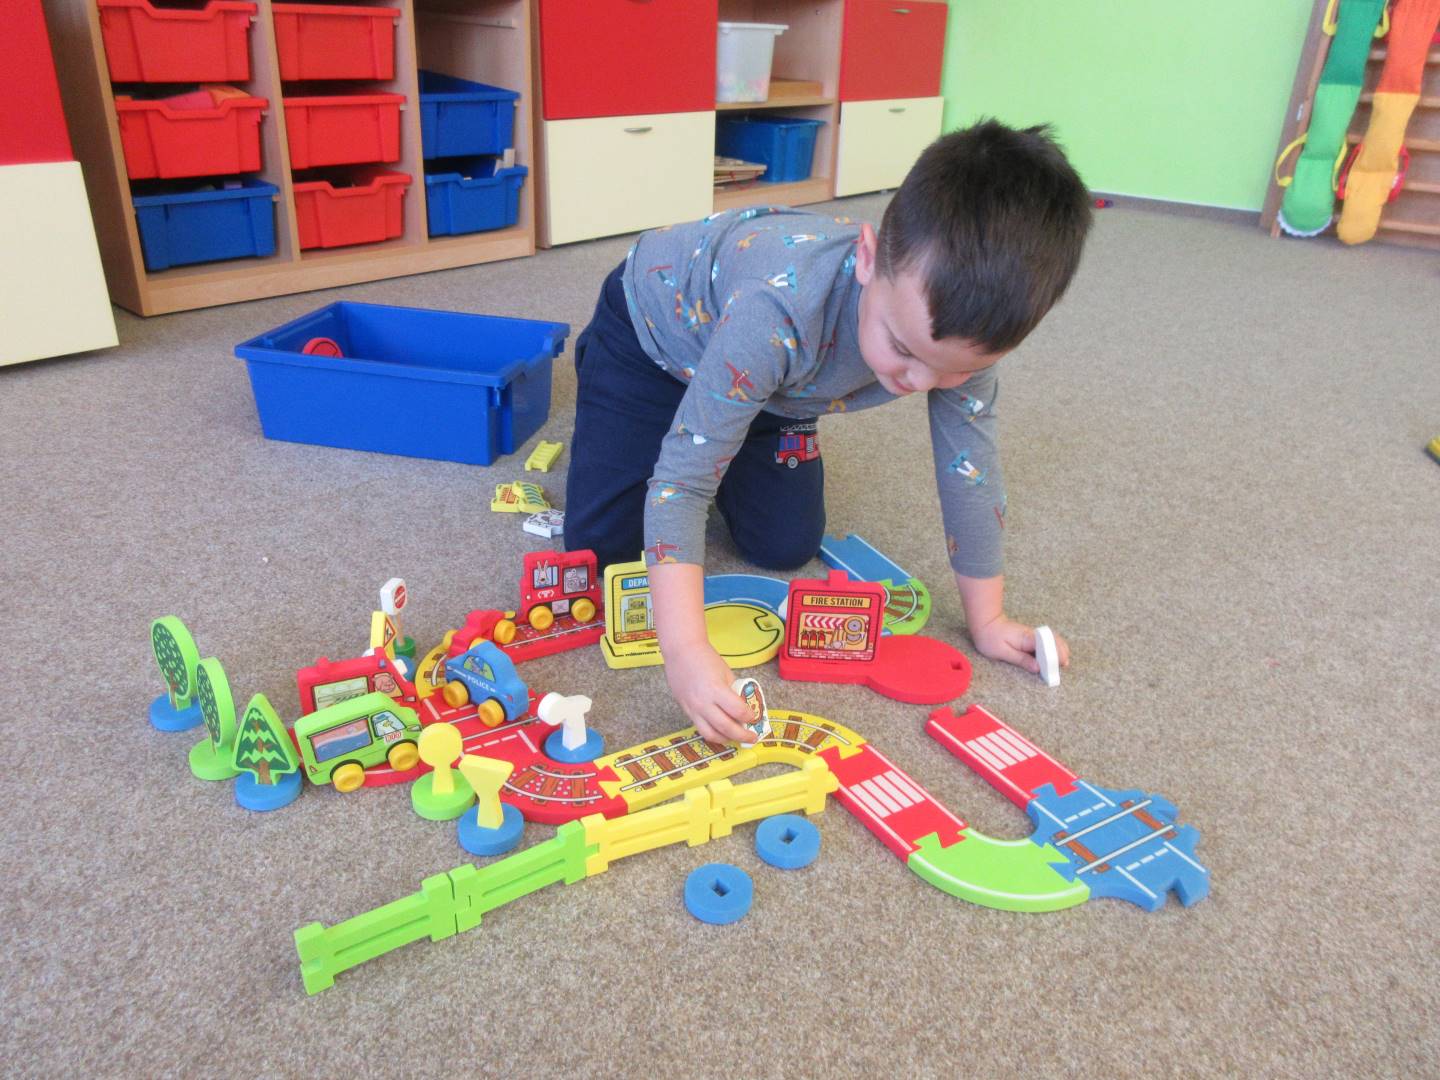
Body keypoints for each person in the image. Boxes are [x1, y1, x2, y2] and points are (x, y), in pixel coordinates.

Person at [564, 120, 1093, 744]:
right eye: (903, 349)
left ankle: (730, 417)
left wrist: (989, 620)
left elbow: (969, 473)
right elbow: (680, 484)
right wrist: (685, 651)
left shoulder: (959, 338)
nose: (921, 382)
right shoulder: (774, 314)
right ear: (867, 258)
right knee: (603, 558)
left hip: (774, 382)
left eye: (954, 371)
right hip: (650, 342)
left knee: (786, 544)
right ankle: (636, 391)